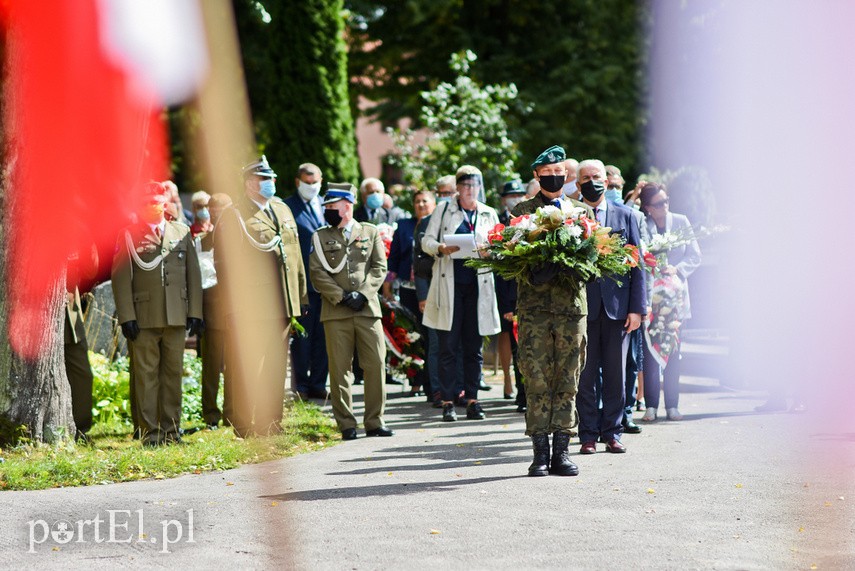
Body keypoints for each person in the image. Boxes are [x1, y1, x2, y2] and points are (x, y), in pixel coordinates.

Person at [509, 146, 590, 477]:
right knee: (537, 378)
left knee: (569, 378)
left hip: (571, 310)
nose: (554, 176)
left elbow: (593, 258)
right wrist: (537, 268)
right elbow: (512, 258)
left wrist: (572, 265)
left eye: (558, 171)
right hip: (535, 310)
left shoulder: (582, 212)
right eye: (547, 172)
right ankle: (539, 452)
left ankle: (562, 451)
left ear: (567, 176)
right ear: (537, 175)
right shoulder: (522, 211)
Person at [214, 155, 307, 437]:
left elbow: (295, 257)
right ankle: (243, 425)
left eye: (272, 179)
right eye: (264, 180)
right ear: (250, 184)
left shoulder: (281, 209)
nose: (271, 184)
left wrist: (300, 297)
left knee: (277, 369)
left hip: (282, 303)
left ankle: (271, 423)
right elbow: (225, 265)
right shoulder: (235, 215)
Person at [112, 181, 204, 446]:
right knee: (146, 378)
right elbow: (120, 279)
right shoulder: (128, 235)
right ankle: (150, 433)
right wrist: (127, 317)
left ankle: (172, 432)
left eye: (156, 202)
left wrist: (195, 312)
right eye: (146, 204)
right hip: (143, 318)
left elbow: (193, 276)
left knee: (173, 375)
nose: (151, 207)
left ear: (165, 204)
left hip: (176, 315)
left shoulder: (181, 231)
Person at [309, 183, 393, 440]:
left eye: (332, 207)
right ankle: (346, 423)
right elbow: (317, 272)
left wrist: (364, 294)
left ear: (347, 205)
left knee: (376, 364)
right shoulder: (321, 236)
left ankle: (375, 421)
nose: (327, 211)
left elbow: (379, 266)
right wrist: (341, 297)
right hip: (336, 311)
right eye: (326, 207)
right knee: (339, 368)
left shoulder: (369, 231)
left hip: (367, 309)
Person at [576, 159, 646, 455]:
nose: (592, 181)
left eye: (597, 176)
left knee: (617, 375)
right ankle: (588, 434)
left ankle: (613, 432)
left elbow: (637, 263)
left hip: (618, 308)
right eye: (586, 178)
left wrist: (637, 308)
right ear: (577, 184)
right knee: (586, 376)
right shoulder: (569, 216)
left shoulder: (626, 215)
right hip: (582, 309)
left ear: (607, 181)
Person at [422, 165, 501, 422]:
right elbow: (426, 241)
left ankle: (473, 400)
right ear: (457, 187)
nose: (469, 190)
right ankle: (447, 400)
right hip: (451, 286)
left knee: (473, 347)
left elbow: (501, 244)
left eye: (474, 185)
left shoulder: (489, 213)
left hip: (478, 287)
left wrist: (492, 251)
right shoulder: (444, 209)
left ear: (480, 187)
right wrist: (441, 248)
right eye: (465, 185)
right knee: (448, 346)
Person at [638, 183, 701, 422]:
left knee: (674, 350)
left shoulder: (682, 221)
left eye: (666, 201)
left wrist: (677, 269)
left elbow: (695, 254)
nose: (664, 206)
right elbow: (639, 255)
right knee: (651, 352)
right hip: (651, 298)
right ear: (648, 208)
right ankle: (651, 405)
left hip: (675, 297)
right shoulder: (643, 225)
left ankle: (672, 405)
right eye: (658, 204)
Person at [284, 162, 330, 400]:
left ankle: (319, 383)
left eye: (315, 183)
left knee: (324, 337)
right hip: (303, 284)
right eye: (307, 183)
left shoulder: (327, 205)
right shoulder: (287, 207)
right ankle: (301, 385)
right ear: (297, 182)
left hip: (328, 284)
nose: (311, 187)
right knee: (302, 337)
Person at [384, 188, 436, 396]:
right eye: (417, 202)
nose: (421, 205)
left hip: (432, 289)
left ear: (433, 204)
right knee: (411, 336)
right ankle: (415, 381)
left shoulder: (436, 225)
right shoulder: (404, 226)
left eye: (425, 201)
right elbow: (394, 259)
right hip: (407, 290)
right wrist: (387, 284)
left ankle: (433, 385)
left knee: (432, 336)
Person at [199, 193, 233, 429]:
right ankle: (211, 415)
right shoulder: (202, 241)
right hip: (211, 311)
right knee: (211, 367)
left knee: (234, 367)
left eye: (220, 211)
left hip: (235, 312)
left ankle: (232, 412)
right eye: (212, 211)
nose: (216, 216)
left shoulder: (238, 239)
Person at [64, 235, 99, 442]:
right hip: (36, 315)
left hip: (71, 313)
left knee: (82, 373)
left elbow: (90, 270)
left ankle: (80, 428)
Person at [495, 180, 526, 404]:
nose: (515, 198)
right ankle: (513, 386)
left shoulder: (527, 219)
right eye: (511, 195)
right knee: (513, 343)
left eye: (519, 194)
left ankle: (525, 393)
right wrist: (507, 303)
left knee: (526, 345)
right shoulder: (498, 222)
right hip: (506, 290)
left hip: (526, 290)